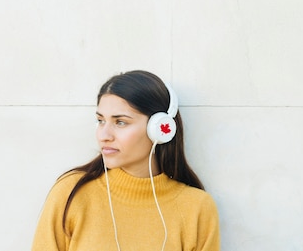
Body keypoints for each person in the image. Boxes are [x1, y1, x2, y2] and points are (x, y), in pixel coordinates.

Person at [31, 70, 220, 251]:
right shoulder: (72, 192)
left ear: (160, 129)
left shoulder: (197, 208)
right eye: (100, 121)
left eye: (120, 122)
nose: (104, 135)